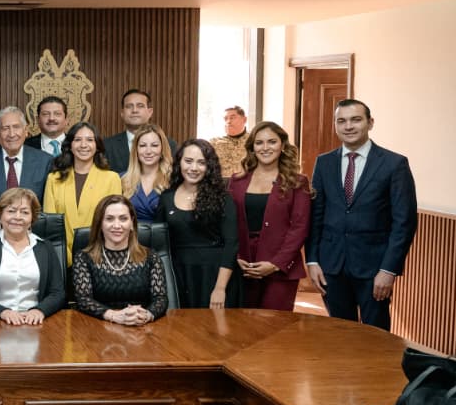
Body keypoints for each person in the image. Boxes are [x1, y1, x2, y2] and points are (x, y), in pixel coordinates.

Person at [307, 99, 417, 330]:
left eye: (356, 119)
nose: (348, 126)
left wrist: (388, 270)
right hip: (331, 266)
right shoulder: (324, 162)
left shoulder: (394, 164)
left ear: (370, 123)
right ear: (335, 126)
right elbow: (315, 216)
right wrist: (313, 260)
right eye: (341, 121)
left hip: (374, 269)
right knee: (338, 333)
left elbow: (404, 223)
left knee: (376, 336)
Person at [228, 121, 312, 312]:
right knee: (240, 327)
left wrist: (275, 264)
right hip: (243, 266)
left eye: (272, 142)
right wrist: (236, 257)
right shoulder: (237, 181)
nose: (265, 148)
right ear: (252, 147)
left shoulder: (297, 182)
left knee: (274, 329)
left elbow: (300, 227)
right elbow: (229, 223)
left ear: (282, 145)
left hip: (280, 269)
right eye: (259, 143)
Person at [0, 187, 66, 325]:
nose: (17, 217)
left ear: (32, 218)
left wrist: (39, 310)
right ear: (0, 216)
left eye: (24, 212)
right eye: (11, 211)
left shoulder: (46, 247)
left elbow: (58, 293)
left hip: (36, 322)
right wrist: (2, 312)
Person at [159, 140, 238, 309]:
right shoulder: (165, 198)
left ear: (209, 167)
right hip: (178, 276)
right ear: (179, 162)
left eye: (201, 162)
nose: (194, 168)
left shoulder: (223, 198)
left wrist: (220, 288)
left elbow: (231, 245)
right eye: (188, 161)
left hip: (215, 277)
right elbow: (161, 245)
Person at [73, 195, 168, 325]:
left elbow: (160, 298)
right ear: (100, 224)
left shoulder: (150, 257)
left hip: (141, 327)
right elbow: (83, 299)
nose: (117, 225)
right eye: (109, 219)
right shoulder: (83, 258)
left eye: (123, 219)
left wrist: (146, 315)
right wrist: (113, 315)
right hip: (98, 328)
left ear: (132, 224)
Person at [42, 121, 122, 264]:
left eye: (90, 140)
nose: (83, 145)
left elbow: (113, 223)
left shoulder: (112, 178)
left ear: (97, 146)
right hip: (61, 259)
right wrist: (66, 256)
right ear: (70, 146)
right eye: (77, 140)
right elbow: (51, 225)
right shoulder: (54, 179)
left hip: (99, 259)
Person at [0, 106, 52, 215]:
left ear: (26, 131)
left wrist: (23, 227)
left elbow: (47, 206)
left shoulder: (45, 161)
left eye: (16, 127)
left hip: (31, 229)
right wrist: (2, 227)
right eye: (5, 128)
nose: (11, 134)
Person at [103, 89, 170, 174]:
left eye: (140, 106)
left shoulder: (169, 144)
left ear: (150, 112)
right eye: (129, 106)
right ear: (122, 113)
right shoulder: (107, 146)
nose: (134, 110)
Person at [120, 124, 174, 223]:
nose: (148, 151)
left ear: (162, 149)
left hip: (164, 237)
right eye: (143, 145)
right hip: (130, 237)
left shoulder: (173, 179)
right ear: (136, 150)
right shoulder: (122, 179)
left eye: (154, 145)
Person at [212, 106, 250, 178]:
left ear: (244, 120)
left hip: (247, 185)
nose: (228, 121)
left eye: (232, 118)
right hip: (222, 185)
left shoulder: (254, 141)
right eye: (225, 119)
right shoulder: (214, 143)